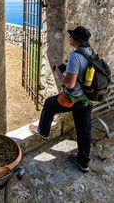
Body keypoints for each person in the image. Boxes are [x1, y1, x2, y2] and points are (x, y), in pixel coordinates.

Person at [29, 26, 95, 172]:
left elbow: (69, 83)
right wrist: (68, 67)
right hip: (88, 99)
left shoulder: (75, 56)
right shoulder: (91, 52)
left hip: (74, 98)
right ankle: (84, 162)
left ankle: (43, 131)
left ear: (77, 40)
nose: (69, 38)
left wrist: (59, 71)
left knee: (49, 104)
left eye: (72, 36)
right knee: (84, 130)